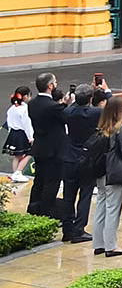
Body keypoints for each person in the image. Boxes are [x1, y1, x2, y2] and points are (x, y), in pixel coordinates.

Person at [88, 96, 122, 257]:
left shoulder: (102, 127)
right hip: (115, 174)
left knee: (101, 207)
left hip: (101, 172)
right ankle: (111, 245)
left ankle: (99, 244)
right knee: (113, 210)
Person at [29, 78, 70, 220]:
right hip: (54, 150)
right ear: (50, 86)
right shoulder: (53, 106)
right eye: (55, 82)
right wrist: (67, 105)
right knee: (52, 182)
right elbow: (66, 118)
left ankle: (33, 208)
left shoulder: (32, 104)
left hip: (39, 147)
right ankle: (47, 212)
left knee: (39, 181)